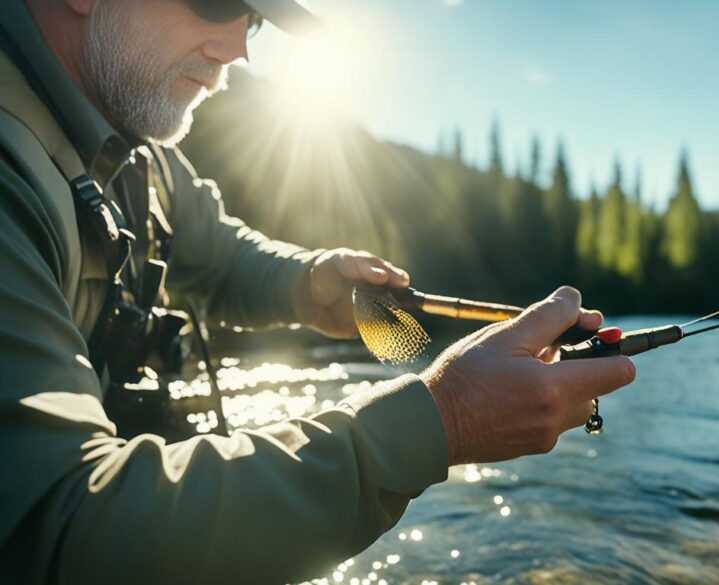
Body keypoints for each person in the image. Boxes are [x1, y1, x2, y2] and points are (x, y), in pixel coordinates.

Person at [0, 0, 636, 583]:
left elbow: (218, 255)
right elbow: (62, 529)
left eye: (250, 22)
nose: (239, 50)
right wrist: (445, 420)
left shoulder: (140, 149)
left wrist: (307, 283)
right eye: (218, 3)